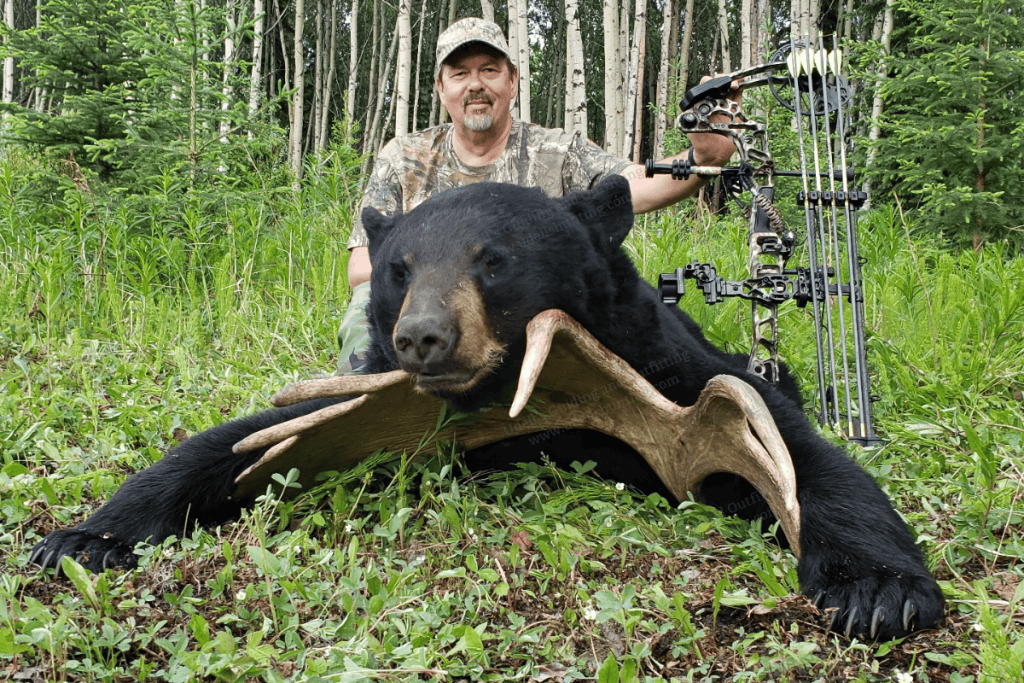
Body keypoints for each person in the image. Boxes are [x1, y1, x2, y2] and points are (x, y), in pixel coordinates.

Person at [338, 17, 739, 372]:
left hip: (520, 324)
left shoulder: (556, 151)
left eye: (489, 70)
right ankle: (363, 398)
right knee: (367, 300)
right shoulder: (405, 158)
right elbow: (362, 266)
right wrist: (439, 278)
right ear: (441, 89)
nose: (475, 85)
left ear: (512, 81)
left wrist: (703, 156)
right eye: (460, 74)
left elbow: (631, 185)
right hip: (424, 314)